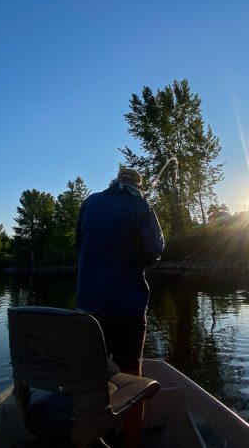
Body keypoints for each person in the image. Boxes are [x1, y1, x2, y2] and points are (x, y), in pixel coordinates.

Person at [75, 167, 164, 446]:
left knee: (95, 374)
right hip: (127, 305)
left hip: (87, 307)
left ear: (114, 182)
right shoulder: (140, 203)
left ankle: (99, 435)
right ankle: (131, 441)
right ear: (137, 185)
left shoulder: (89, 202)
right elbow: (155, 250)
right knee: (131, 373)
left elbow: (80, 244)